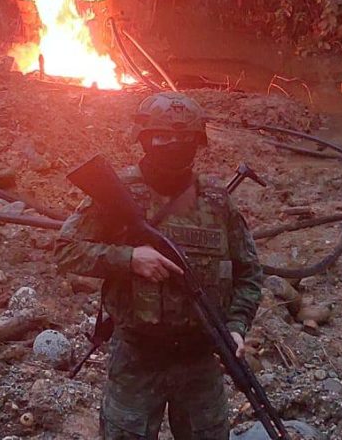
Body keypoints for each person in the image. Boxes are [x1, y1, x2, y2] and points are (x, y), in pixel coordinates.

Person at [55, 91, 264, 440]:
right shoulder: (119, 192)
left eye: (183, 138)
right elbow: (66, 250)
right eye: (162, 136)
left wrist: (237, 326)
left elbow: (249, 273)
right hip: (137, 354)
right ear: (144, 139)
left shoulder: (216, 200)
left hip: (200, 355)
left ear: (197, 142)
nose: (173, 145)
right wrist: (130, 258)